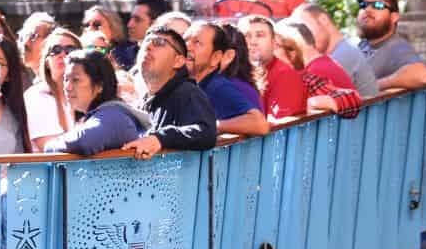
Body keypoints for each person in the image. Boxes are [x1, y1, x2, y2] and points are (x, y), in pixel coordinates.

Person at [121, 26, 218, 160]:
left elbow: (207, 133)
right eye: (145, 43)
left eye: (159, 43)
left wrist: (159, 139)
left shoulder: (187, 92)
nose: (148, 47)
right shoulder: (144, 100)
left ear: (178, 61)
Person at [44, 49, 150, 155]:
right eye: (66, 79)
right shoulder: (103, 114)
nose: (67, 87)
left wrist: (49, 146)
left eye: (76, 80)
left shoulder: (113, 115)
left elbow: (84, 142)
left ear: (100, 86)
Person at [185, 21, 267, 137]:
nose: (188, 47)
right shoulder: (197, 83)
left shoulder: (219, 86)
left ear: (219, 56)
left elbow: (260, 124)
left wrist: (212, 125)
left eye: (197, 42)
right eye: (185, 40)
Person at [354, 0, 426, 91]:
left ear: (394, 17)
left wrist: (371, 86)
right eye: (363, 5)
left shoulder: (397, 47)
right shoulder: (363, 45)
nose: (367, 10)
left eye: (378, 5)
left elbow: (420, 75)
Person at [296, 4, 379, 98]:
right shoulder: (344, 49)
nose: (304, 36)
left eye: (305, 29)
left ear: (323, 19)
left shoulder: (343, 55)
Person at [25, 29, 83, 150]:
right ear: (47, 62)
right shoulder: (36, 96)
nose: (62, 54)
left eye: (70, 50)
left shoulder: (88, 96)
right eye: (56, 50)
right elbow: (50, 149)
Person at [241, 16, 307, 120]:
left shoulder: (285, 75)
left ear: (273, 43)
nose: (252, 41)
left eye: (260, 35)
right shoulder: (241, 73)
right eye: (247, 36)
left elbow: (280, 128)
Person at [81, 5, 135, 71]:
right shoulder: (78, 51)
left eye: (97, 24)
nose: (90, 29)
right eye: (86, 25)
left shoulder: (128, 53)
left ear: (113, 27)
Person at [17, 12, 58, 79]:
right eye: (24, 36)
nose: (25, 43)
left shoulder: (58, 83)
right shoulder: (32, 82)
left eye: (33, 36)